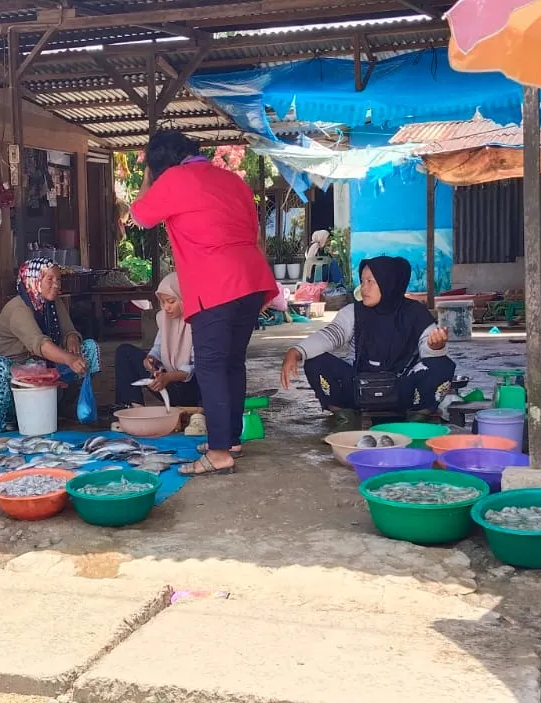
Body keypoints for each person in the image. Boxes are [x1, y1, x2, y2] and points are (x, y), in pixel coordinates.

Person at [130, 131, 277, 477]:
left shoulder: (174, 179)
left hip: (216, 284)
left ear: (159, 164)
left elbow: (139, 216)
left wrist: (150, 178)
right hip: (251, 280)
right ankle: (230, 439)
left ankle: (220, 452)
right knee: (232, 363)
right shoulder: (231, 180)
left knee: (211, 365)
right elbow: (253, 233)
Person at [279, 256, 452, 426]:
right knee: (314, 360)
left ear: (388, 283)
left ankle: (419, 415)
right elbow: (329, 335)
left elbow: (429, 348)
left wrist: (435, 347)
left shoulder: (415, 313)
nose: (364, 288)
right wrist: (296, 351)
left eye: (370, 282)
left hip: (402, 390)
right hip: (358, 389)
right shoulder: (352, 312)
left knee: (442, 365)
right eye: (362, 281)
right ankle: (343, 414)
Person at [0, 258, 101, 431]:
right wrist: (69, 359)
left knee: (89, 348)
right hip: (17, 377)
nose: (56, 285)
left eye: (59, 280)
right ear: (34, 280)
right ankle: (7, 419)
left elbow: (69, 329)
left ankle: (65, 405)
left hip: (44, 368)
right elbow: (40, 345)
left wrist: (72, 338)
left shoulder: (52, 302)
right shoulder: (18, 308)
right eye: (50, 280)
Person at [114, 273, 200, 409]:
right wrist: (151, 358)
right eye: (162, 302)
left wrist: (168, 377)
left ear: (184, 299)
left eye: (171, 301)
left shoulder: (198, 323)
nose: (166, 307)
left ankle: (199, 412)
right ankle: (134, 406)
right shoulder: (164, 319)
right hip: (168, 381)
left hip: (191, 390)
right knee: (124, 352)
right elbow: (158, 347)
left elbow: (196, 367)